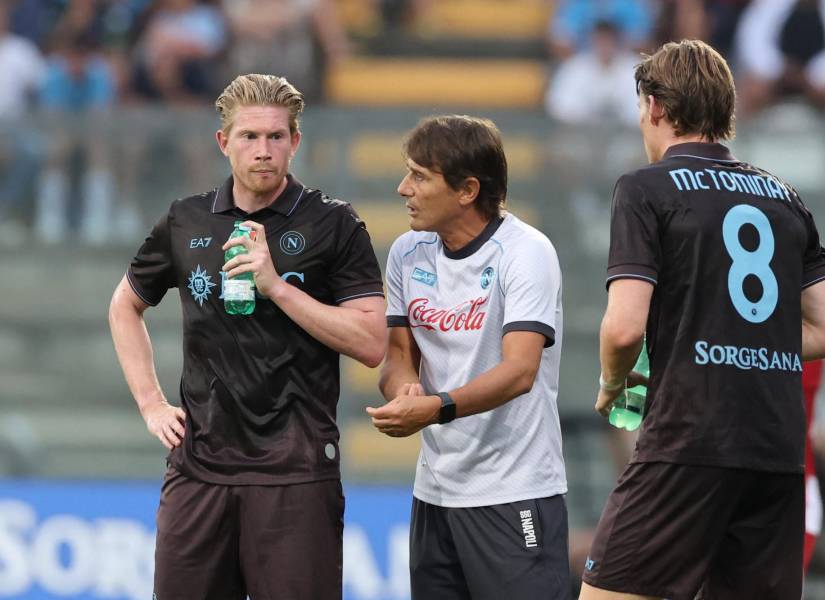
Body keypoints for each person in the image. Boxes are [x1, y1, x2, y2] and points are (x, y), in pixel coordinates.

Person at [108, 73, 386, 600]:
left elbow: (371, 342)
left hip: (296, 471)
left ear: (295, 142)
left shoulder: (335, 225)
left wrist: (276, 286)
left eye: (276, 137)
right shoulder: (185, 220)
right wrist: (151, 404)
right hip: (198, 468)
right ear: (223, 142)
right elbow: (125, 305)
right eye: (249, 137)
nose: (264, 150)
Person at [580, 39, 825, 600]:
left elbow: (622, 328)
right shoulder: (786, 199)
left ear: (656, 107)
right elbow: (822, 328)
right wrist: (735, 339)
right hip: (776, 451)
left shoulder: (645, 188)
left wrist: (613, 384)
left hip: (687, 442)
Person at [369, 115, 571, 599]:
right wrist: (403, 390)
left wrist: (435, 407)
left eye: (419, 176)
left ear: (467, 190)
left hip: (515, 490)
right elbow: (397, 357)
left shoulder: (525, 253)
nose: (403, 188)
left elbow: (520, 371)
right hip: (435, 494)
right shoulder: (406, 253)